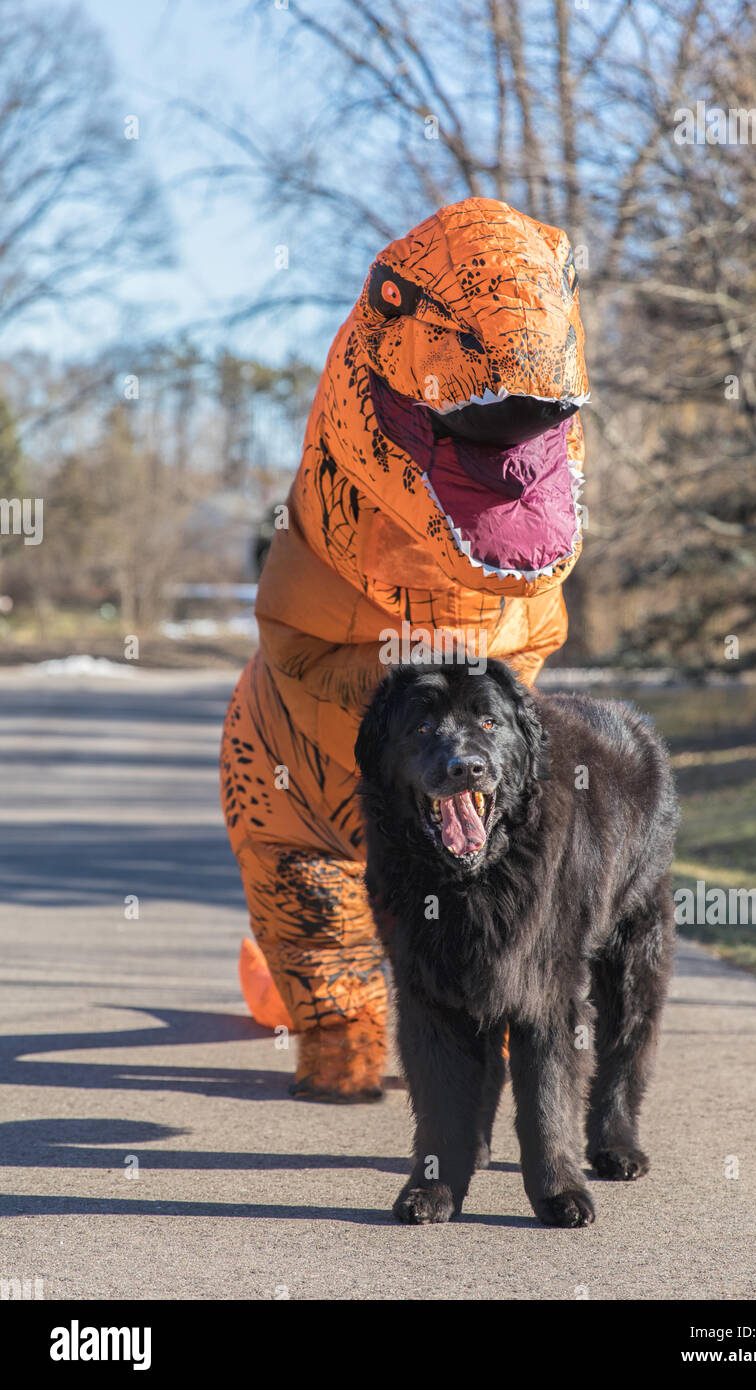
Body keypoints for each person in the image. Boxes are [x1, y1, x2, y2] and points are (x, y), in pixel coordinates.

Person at [220, 196, 589, 1101]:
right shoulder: (375, 412)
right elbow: (305, 632)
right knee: (302, 868)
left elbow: (531, 630)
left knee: (493, 860)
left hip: (463, 753)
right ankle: (335, 1008)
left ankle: (491, 1002)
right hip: (298, 768)